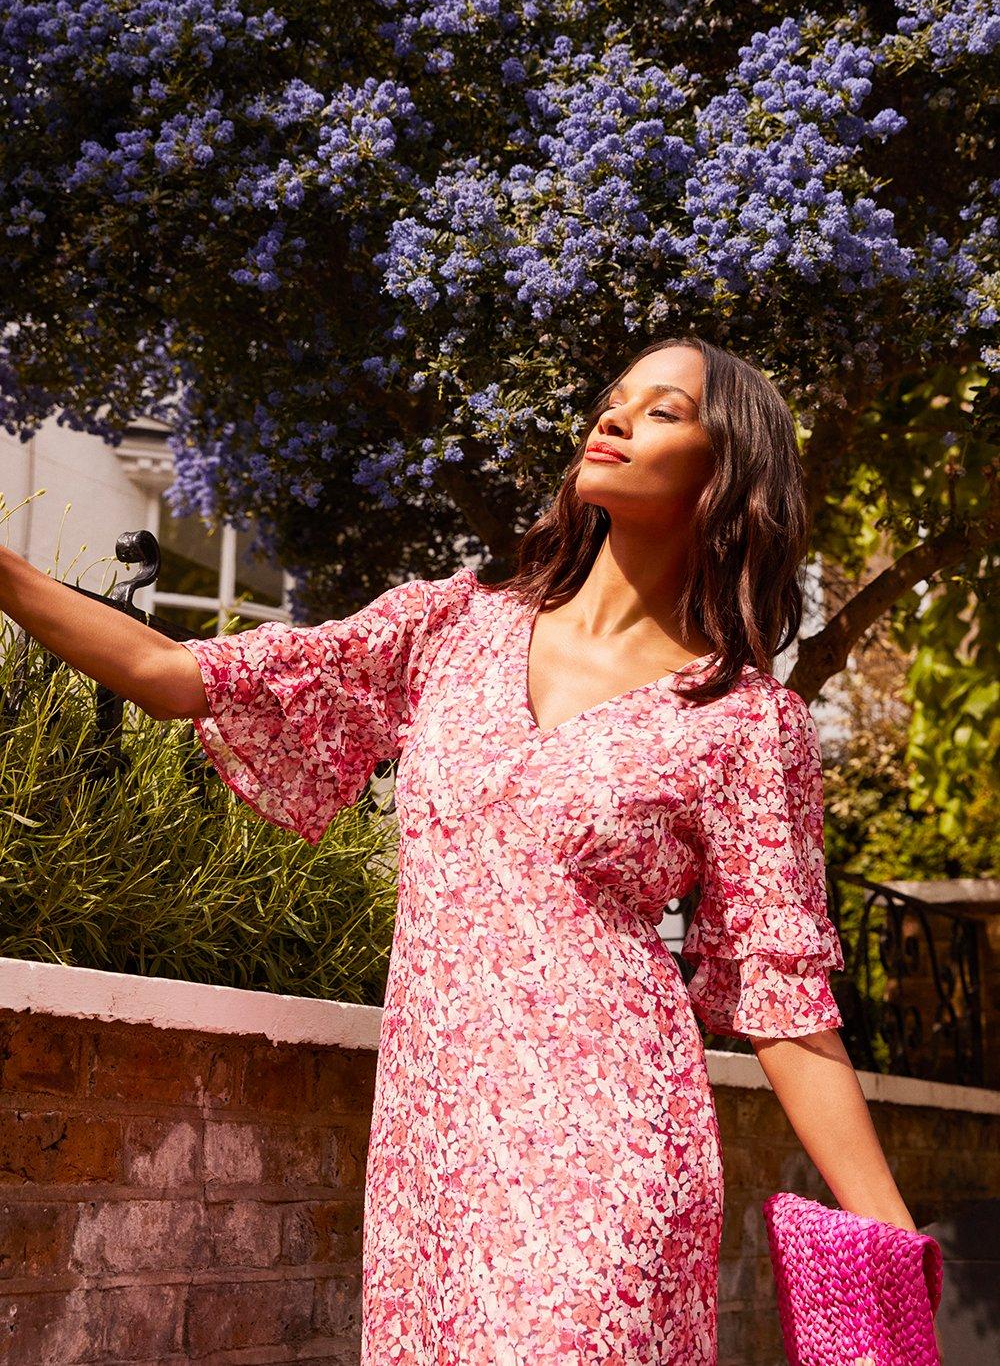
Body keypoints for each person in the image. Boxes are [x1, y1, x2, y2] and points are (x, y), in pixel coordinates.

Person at [0, 335, 936, 1364]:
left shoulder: (745, 723)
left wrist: (889, 1248)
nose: (615, 418)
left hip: (610, 1138)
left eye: (662, 410)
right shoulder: (452, 630)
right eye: (613, 399)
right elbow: (177, 674)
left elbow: (784, 1002)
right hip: (434, 1149)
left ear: (727, 474)